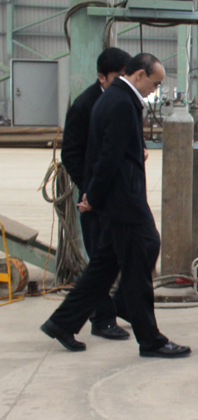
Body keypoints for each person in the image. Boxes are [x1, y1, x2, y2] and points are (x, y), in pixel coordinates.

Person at [41, 53, 191, 359]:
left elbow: (112, 151)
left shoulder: (113, 99)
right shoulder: (121, 103)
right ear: (139, 75)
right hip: (124, 202)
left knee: (104, 267)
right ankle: (150, 340)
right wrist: (92, 197)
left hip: (117, 200)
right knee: (139, 266)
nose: (156, 90)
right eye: (155, 83)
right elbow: (107, 157)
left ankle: (62, 322)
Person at [59, 47, 132, 341]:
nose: (123, 81)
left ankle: (121, 307)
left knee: (127, 253)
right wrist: (89, 190)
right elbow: (70, 153)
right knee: (101, 262)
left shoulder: (121, 100)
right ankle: (101, 319)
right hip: (95, 198)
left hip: (117, 195)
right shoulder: (85, 106)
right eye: (118, 76)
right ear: (102, 77)